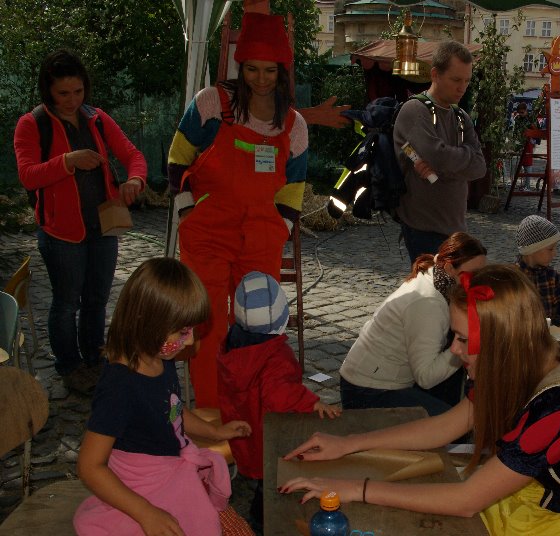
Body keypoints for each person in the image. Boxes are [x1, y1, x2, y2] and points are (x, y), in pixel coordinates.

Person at [280, 265, 560, 535]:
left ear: (502, 341)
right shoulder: (526, 356)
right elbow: (447, 425)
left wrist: (355, 488)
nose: (454, 350)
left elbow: (466, 501)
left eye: (461, 339)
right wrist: (349, 444)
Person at [167, 12, 308, 408]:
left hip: (261, 240)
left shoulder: (293, 124)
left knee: (257, 327)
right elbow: (177, 159)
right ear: (239, 65)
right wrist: (186, 212)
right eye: (252, 69)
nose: (261, 79)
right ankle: (212, 413)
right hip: (207, 235)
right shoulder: (211, 104)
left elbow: (294, 187)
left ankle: (251, 409)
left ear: (282, 72)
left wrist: (280, 229)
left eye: (270, 70)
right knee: (206, 326)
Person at [73, 258, 253, 535]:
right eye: (182, 332)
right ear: (147, 322)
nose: (190, 341)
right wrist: (145, 512)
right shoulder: (120, 387)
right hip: (142, 489)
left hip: (171, 474)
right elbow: (90, 466)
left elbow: (172, 410)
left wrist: (214, 432)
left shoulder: (160, 359)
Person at [13, 49, 147, 383]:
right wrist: (67, 161)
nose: (72, 100)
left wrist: (135, 179)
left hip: (103, 225)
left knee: (97, 300)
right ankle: (69, 366)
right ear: (48, 91)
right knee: (66, 303)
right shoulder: (32, 124)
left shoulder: (96, 118)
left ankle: (94, 356)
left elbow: (132, 154)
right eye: (63, 93)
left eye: (78, 91)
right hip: (61, 233)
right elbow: (28, 175)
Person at [218, 271, 341, 531]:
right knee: (270, 483)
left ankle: (258, 517)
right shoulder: (276, 356)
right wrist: (311, 402)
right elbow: (280, 395)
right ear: (281, 316)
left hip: (244, 428)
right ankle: (263, 523)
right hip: (268, 436)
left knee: (261, 479)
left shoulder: (232, 345)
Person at [339, 232, 487, 417]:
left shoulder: (435, 276)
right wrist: (467, 342)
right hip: (368, 391)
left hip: (372, 381)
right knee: (457, 424)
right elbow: (425, 377)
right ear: (449, 268)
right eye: (473, 275)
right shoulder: (428, 303)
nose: (478, 281)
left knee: (452, 395)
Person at [393, 40, 486, 262]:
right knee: (432, 285)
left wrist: (444, 163)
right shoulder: (415, 110)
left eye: (467, 80)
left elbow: (480, 167)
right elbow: (437, 156)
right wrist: (462, 159)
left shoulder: (461, 117)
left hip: (455, 228)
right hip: (423, 227)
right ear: (435, 74)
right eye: (456, 80)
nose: (462, 87)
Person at [515, 215, 560, 327]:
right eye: (550, 249)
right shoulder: (514, 278)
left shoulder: (553, 276)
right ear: (532, 250)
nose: (555, 253)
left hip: (552, 333)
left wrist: (556, 326)